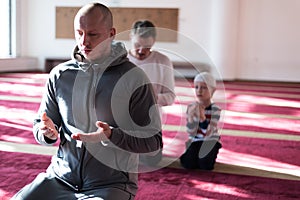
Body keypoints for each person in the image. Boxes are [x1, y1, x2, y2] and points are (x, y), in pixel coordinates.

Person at [12, 3, 162, 200]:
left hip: (110, 184)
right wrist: (45, 132)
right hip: (60, 178)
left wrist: (112, 136)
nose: (84, 42)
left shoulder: (134, 78)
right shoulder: (60, 75)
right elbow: (42, 124)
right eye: (79, 33)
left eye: (93, 34)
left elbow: (153, 141)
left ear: (111, 33)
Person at [127, 20, 176, 165]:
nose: (142, 50)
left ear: (154, 42)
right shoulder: (120, 60)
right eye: (137, 45)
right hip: (123, 123)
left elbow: (170, 97)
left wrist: (148, 98)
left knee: (151, 161)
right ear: (131, 37)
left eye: (147, 47)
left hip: (151, 124)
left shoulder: (163, 61)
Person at [179, 72, 222, 170]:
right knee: (188, 164)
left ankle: (212, 153)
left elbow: (209, 132)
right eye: (196, 87)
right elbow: (191, 131)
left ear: (213, 91)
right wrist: (190, 118)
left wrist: (202, 118)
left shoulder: (215, 109)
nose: (199, 91)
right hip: (196, 140)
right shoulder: (191, 107)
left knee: (205, 165)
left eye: (204, 88)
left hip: (210, 141)